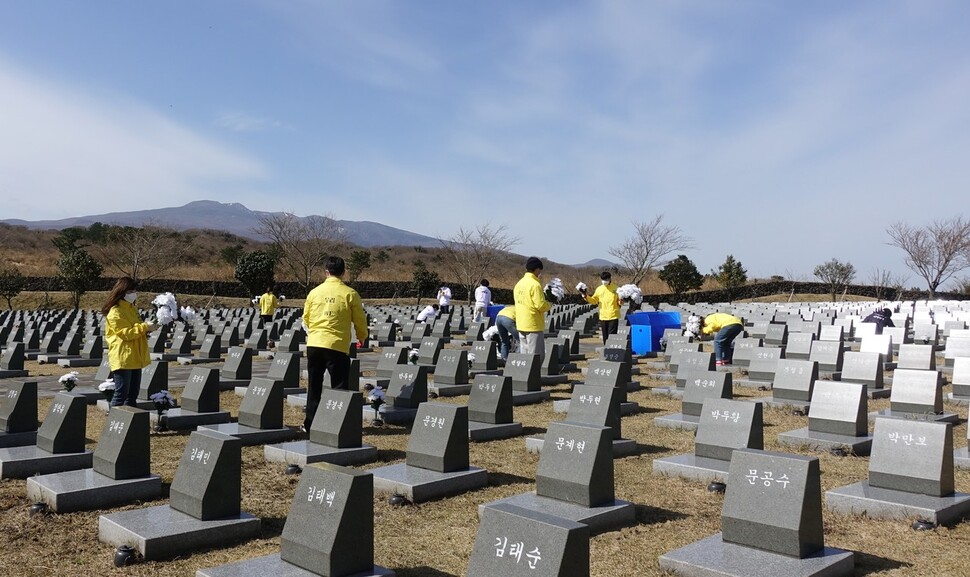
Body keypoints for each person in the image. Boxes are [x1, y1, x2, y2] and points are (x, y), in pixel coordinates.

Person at [302, 256, 368, 432]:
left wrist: (314, 333)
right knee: (339, 386)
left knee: (314, 385)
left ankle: (310, 423)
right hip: (336, 345)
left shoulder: (314, 292)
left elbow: (306, 318)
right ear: (344, 273)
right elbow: (360, 320)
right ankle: (335, 424)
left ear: (326, 272)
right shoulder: (349, 294)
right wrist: (362, 336)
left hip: (314, 344)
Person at [102, 277, 157, 407]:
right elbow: (126, 334)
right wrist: (145, 327)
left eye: (134, 290)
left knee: (133, 394)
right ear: (122, 292)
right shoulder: (115, 312)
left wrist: (148, 329)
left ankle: (130, 425)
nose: (133, 293)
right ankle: (113, 422)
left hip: (135, 356)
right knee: (121, 394)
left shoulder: (132, 309)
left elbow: (137, 328)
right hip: (123, 357)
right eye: (130, 291)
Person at [513, 256, 550, 359]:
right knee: (536, 356)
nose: (540, 273)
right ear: (537, 269)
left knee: (525, 356)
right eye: (539, 270)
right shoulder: (535, 285)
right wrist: (549, 305)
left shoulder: (519, 284)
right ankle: (534, 375)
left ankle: (526, 375)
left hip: (521, 323)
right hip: (533, 324)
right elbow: (540, 305)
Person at [581, 271, 621, 344]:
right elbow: (594, 300)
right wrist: (585, 296)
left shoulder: (616, 289)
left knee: (612, 336)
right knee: (605, 337)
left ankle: (612, 350)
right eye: (603, 279)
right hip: (603, 316)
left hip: (613, 315)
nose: (604, 281)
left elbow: (620, 302)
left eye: (606, 279)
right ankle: (606, 351)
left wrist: (621, 300)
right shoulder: (599, 289)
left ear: (610, 279)